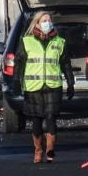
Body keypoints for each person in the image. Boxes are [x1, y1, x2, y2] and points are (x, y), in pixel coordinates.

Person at [13, 11, 75, 163]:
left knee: (51, 118)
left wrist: (70, 83)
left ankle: (50, 150)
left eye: (49, 20)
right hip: (33, 86)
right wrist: (16, 80)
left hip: (53, 86)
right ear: (37, 24)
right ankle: (38, 151)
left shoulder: (60, 42)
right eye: (44, 20)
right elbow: (19, 62)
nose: (48, 23)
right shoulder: (26, 41)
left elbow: (66, 64)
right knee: (36, 120)